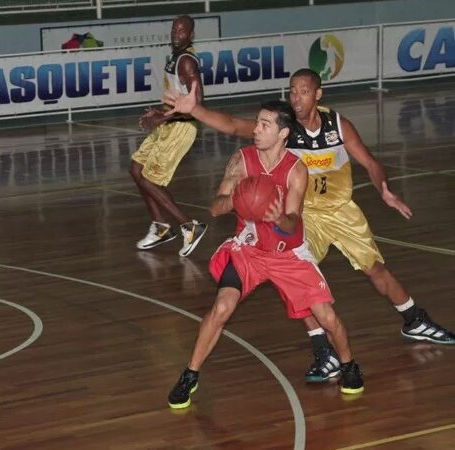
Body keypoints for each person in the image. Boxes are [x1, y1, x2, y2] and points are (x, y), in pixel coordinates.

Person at [163, 68, 455, 383]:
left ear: (318, 94)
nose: (296, 97)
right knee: (298, 278)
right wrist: (195, 110)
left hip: (341, 209)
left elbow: (369, 162)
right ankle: (323, 350)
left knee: (375, 269)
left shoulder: (338, 125)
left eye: (302, 91)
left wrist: (383, 188)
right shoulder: (283, 127)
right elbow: (233, 126)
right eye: (291, 91)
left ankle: (413, 318)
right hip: (303, 213)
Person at [167, 101, 364, 409]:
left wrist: (275, 218)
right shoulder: (242, 160)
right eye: (256, 123)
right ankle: (190, 374)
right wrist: (235, 199)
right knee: (222, 307)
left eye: (264, 125)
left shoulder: (296, 169)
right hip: (248, 250)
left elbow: (293, 221)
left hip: (288, 254)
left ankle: (349, 364)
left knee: (327, 318)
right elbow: (216, 205)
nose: (256, 129)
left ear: (283, 132)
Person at [129, 15, 207, 257]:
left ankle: (190, 226)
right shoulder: (175, 55)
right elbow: (177, 97)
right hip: (169, 121)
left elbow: (197, 103)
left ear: (190, 34)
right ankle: (161, 227)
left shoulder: (186, 62)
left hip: (182, 127)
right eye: (174, 29)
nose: (176, 34)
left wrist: (162, 118)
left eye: (182, 31)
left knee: (150, 180)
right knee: (136, 168)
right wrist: (160, 112)